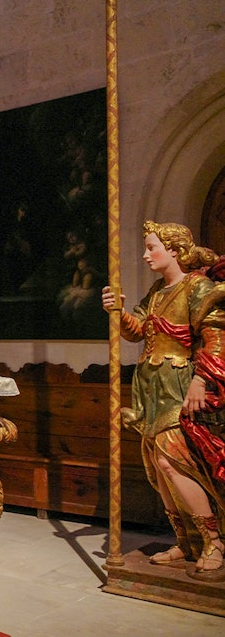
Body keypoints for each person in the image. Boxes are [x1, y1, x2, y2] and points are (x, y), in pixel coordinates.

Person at [101, 221, 224, 581]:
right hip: (151, 388)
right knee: (157, 467)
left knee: (176, 463)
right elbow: (137, 330)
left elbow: (216, 336)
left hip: (180, 385)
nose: (145, 254)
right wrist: (118, 310)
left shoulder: (197, 287)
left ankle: (213, 540)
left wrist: (201, 380)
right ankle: (185, 541)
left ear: (174, 250)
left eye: (151, 247)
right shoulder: (157, 291)